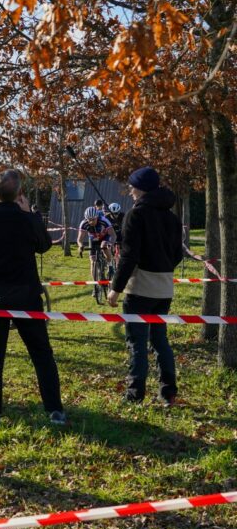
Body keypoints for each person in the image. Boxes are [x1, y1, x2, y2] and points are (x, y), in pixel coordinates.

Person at [0, 169, 65, 425]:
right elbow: (44, 245)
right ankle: (55, 410)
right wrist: (30, 214)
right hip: (25, 295)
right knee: (41, 353)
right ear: (20, 194)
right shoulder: (27, 220)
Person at [107, 167, 183, 406]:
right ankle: (168, 393)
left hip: (139, 289)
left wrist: (115, 288)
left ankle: (134, 395)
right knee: (160, 340)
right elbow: (177, 255)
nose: (130, 191)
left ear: (140, 189)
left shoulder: (135, 215)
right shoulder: (172, 217)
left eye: (132, 187)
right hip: (164, 289)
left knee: (137, 343)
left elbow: (129, 256)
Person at [77, 206, 117, 299]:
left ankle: (110, 264)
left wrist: (110, 243)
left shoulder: (104, 220)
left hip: (105, 237)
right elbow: (79, 239)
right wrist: (80, 246)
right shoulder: (84, 223)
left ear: (97, 217)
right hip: (93, 239)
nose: (91, 222)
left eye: (93, 219)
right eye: (89, 220)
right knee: (92, 260)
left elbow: (113, 235)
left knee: (103, 246)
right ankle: (96, 286)